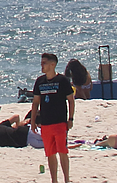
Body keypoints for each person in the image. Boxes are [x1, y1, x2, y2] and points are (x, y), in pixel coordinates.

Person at [31, 52, 75, 183]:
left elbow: (71, 100)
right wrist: (33, 122)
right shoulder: (40, 81)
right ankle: (54, 180)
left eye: (44, 63)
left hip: (60, 123)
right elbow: (35, 103)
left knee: (62, 151)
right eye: (41, 63)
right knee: (50, 153)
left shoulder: (62, 80)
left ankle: (67, 179)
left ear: (53, 64)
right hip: (45, 123)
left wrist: (71, 119)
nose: (42, 65)